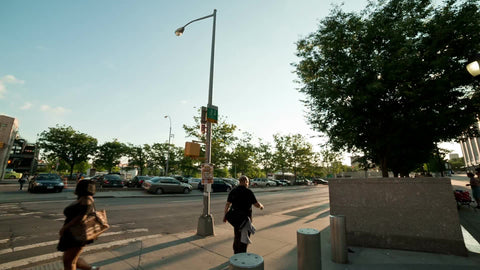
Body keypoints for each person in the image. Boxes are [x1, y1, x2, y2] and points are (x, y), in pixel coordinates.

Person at [57, 179, 100, 270]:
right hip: (73, 233)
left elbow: (81, 217)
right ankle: (91, 269)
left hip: (76, 234)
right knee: (71, 259)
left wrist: (65, 228)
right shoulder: (84, 198)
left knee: (69, 262)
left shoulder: (86, 200)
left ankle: (91, 269)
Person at [223, 175, 264, 254]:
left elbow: (227, 204)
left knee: (237, 235)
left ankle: (236, 252)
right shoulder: (248, 192)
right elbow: (256, 204)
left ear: (239, 181)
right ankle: (242, 254)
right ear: (246, 182)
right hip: (246, 219)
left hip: (236, 219)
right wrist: (261, 206)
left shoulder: (233, 191)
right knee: (245, 237)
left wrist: (225, 215)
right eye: (248, 182)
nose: (248, 184)